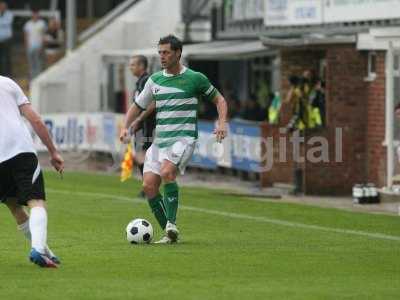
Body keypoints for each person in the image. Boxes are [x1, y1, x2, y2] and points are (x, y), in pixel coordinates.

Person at [120, 35, 228, 244]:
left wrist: (222, 123)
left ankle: (171, 223)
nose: (162, 56)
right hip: (160, 141)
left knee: (167, 172)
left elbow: (219, 100)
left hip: (184, 139)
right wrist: (126, 127)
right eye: (160, 52)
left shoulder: (195, 78)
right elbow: (137, 106)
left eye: (166, 52)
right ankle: (169, 234)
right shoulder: (155, 80)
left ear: (178, 53)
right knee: (149, 186)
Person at [0, 75, 64, 267]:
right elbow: (36, 120)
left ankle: (45, 252)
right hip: (20, 151)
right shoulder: (6, 83)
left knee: (14, 206)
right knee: (36, 202)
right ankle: (37, 249)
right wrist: (53, 152)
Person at [128, 55, 156, 198]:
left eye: (133, 65)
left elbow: (153, 102)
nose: (130, 67)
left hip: (148, 125)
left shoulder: (147, 81)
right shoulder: (140, 82)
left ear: (141, 66)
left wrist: (139, 119)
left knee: (142, 156)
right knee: (139, 155)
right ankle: (148, 186)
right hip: (141, 125)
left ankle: (149, 187)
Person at [24, 9, 46, 79]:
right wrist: (27, 46)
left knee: (38, 63)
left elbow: (43, 36)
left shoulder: (42, 23)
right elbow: (26, 36)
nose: (35, 16)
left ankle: (38, 78)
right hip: (30, 47)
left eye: (36, 14)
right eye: (34, 14)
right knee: (31, 64)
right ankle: (32, 79)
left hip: (38, 46)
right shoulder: (28, 24)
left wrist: (42, 46)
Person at [0, 1, 13, 76]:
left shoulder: (9, 14)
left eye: (3, 6)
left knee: (6, 58)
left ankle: (7, 75)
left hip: (6, 40)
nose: (2, 7)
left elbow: (7, 22)